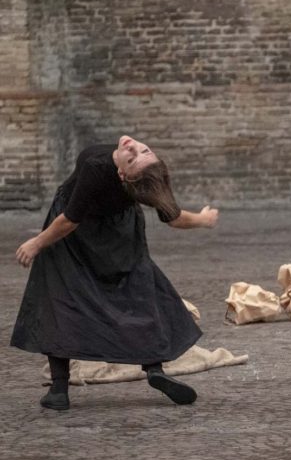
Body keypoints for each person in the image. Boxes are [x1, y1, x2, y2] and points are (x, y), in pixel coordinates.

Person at [12, 136, 219, 410]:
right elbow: (173, 217)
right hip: (120, 235)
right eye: (143, 149)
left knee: (58, 297)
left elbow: (71, 220)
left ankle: (59, 389)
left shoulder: (96, 165)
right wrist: (203, 220)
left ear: (123, 175)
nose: (132, 147)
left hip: (73, 233)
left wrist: (37, 242)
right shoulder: (149, 177)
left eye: (133, 158)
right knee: (140, 295)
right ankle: (155, 371)